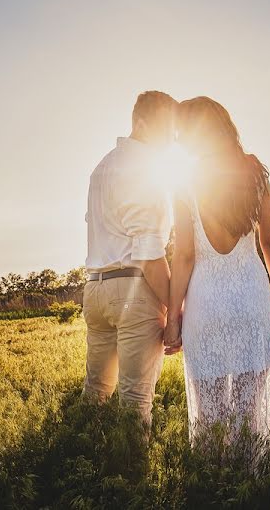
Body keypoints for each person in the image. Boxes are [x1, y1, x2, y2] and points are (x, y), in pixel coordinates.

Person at [164, 96, 270, 469]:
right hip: (252, 299)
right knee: (250, 408)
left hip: (208, 307)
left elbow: (184, 256)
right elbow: (269, 243)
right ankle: (249, 483)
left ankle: (214, 482)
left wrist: (173, 319)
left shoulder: (185, 184)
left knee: (211, 409)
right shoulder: (254, 172)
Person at [82, 90, 178, 425]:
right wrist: (174, 310)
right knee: (136, 398)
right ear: (140, 122)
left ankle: (85, 462)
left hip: (95, 290)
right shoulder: (144, 168)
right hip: (132, 291)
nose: (171, 139)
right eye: (166, 129)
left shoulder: (102, 165)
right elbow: (149, 255)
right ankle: (133, 473)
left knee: (96, 389)